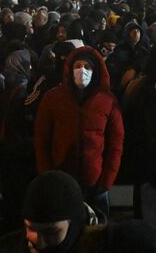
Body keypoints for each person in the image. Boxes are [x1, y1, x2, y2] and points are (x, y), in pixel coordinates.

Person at [34, 45, 123, 219]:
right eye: (77, 66)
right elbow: (41, 139)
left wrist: (106, 181)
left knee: (98, 233)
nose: (82, 71)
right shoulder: (53, 98)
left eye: (87, 67)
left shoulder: (108, 101)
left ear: (96, 71)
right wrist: (47, 173)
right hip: (61, 179)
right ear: (69, 68)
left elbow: (116, 143)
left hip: (95, 182)